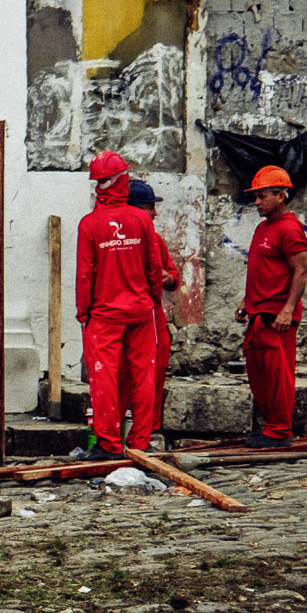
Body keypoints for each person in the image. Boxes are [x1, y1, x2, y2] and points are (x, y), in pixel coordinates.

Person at [75, 152, 164, 456]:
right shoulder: (141, 219)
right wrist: (151, 299)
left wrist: (83, 311)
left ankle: (109, 444)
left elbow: (85, 273)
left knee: (104, 377)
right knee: (144, 376)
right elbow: (154, 266)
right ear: (122, 181)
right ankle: (140, 442)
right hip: (140, 311)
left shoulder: (90, 224)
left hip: (105, 314)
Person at [235, 166, 307, 448]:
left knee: (278, 375)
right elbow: (259, 269)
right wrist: (246, 300)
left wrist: (288, 310)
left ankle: (280, 430)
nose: (257, 202)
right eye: (256, 197)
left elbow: (300, 271)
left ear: (281, 196)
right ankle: (270, 427)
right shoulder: (263, 228)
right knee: (259, 374)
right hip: (258, 312)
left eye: (262, 196)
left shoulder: (289, 229)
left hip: (276, 315)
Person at [128, 181, 178, 440]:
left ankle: (151, 427)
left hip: (153, 314)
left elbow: (172, 275)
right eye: (150, 208)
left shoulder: (155, 240)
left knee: (155, 370)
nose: (155, 214)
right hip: (129, 314)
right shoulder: (122, 240)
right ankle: (127, 427)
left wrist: (166, 278)